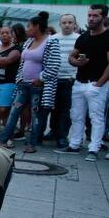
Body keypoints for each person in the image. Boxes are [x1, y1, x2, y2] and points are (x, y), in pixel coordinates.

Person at [55, 5, 109, 162]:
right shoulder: (83, 37)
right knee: (76, 116)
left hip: (96, 84)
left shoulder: (108, 37)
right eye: (89, 15)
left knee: (96, 118)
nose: (91, 18)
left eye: (95, 15)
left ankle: (94, 148)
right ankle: (74, 145)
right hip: (79, 82)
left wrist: (99, 84)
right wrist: (78, 62)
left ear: (104, 18)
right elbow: (71, 57)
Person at [0, 12, 61, 153]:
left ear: (37, 26)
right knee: (14, 112)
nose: (27, 29)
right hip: (23, 84)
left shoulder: (51, 41)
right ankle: (3, 140)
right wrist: (20, 78)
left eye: (29, 26)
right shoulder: (28, 42)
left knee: (36, 116)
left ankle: (32, 143)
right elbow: (23, 62)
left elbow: (54, 64)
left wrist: (41, 78)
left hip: (38, 87)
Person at [44, 14, 80, 148]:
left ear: (75, 24)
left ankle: (62, 136)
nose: (67, 25)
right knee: (54, 108)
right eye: (64, 22)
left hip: (70, 79)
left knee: (66, 110)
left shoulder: (79, 39)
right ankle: (53, 131)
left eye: (70, 22)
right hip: (54, 79)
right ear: (60, 24)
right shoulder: (52, 39)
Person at [10, 23, 31, 141]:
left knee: (22, 106)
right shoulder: (16, 43)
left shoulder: (24, 44)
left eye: (13, 32)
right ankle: (18, 128)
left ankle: (22, 129)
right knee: (18, 105)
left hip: (21, 78)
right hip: (15, 77)